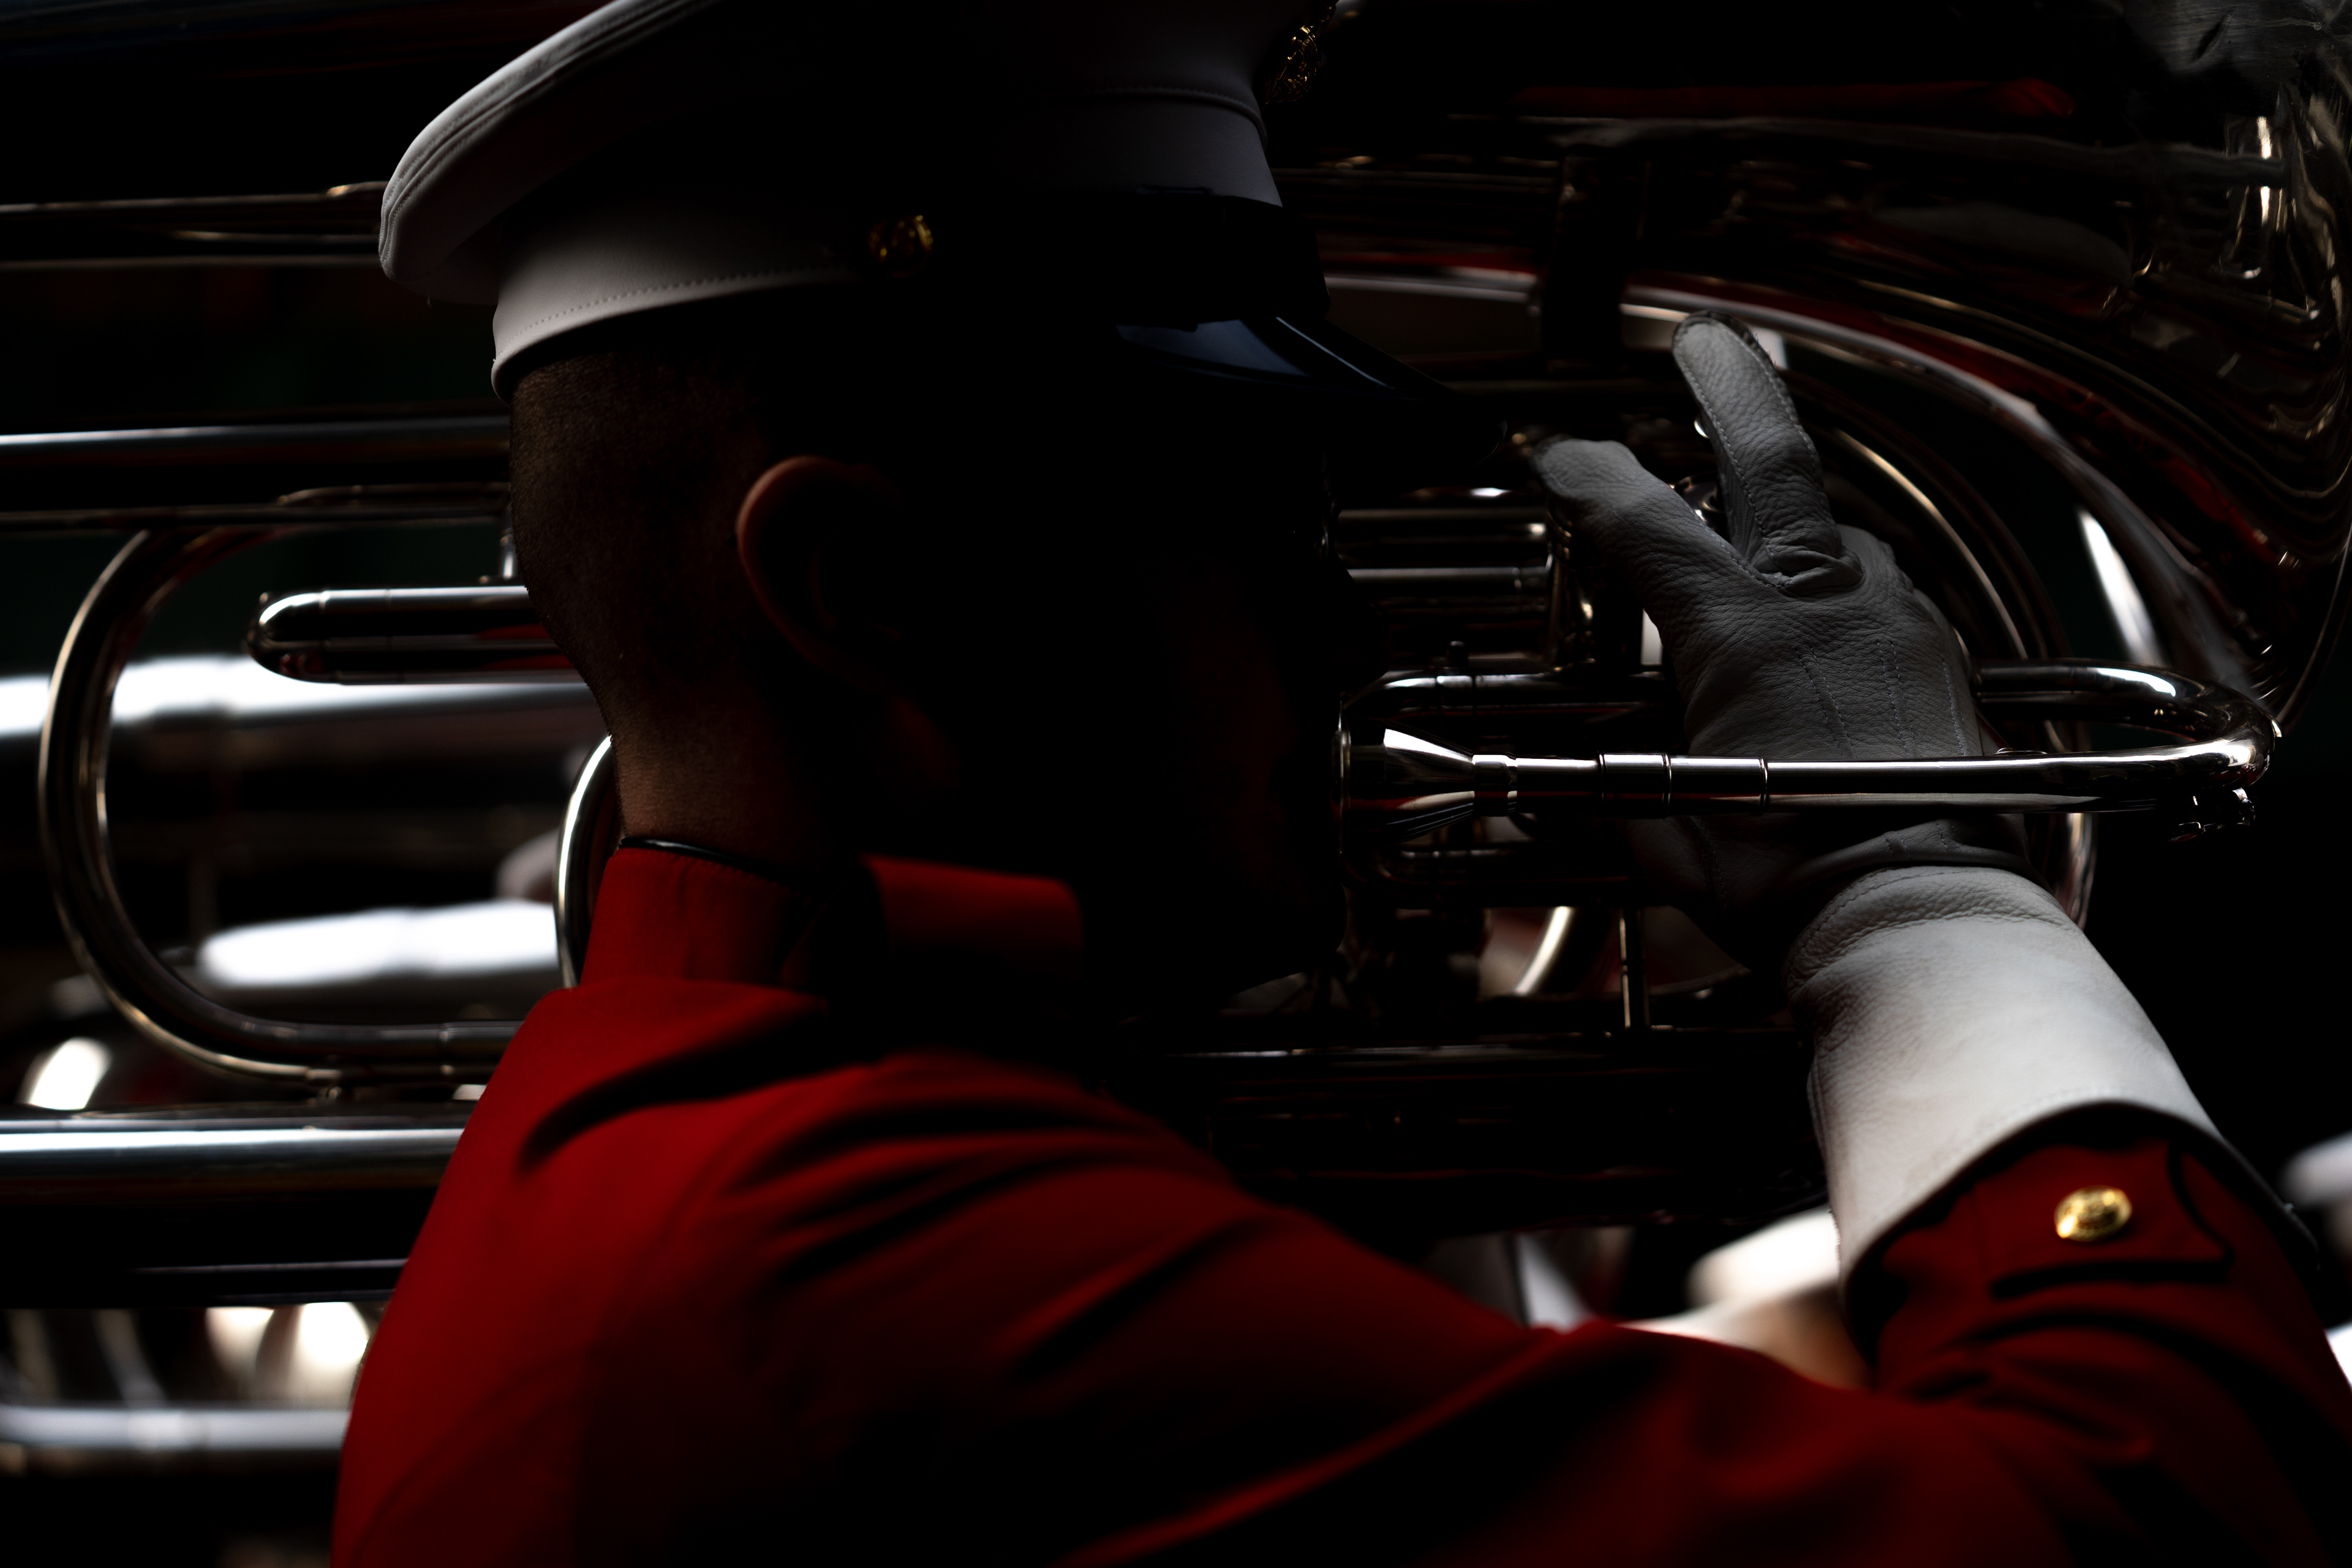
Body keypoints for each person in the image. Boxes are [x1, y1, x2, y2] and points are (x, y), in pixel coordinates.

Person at [335, 2, 2352, 1562]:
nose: (1356, 646)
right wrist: (1921, 903)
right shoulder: (850, 1268)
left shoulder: (713, 1153)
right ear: (864, 592)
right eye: (1253, 539)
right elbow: (2157, 1520)